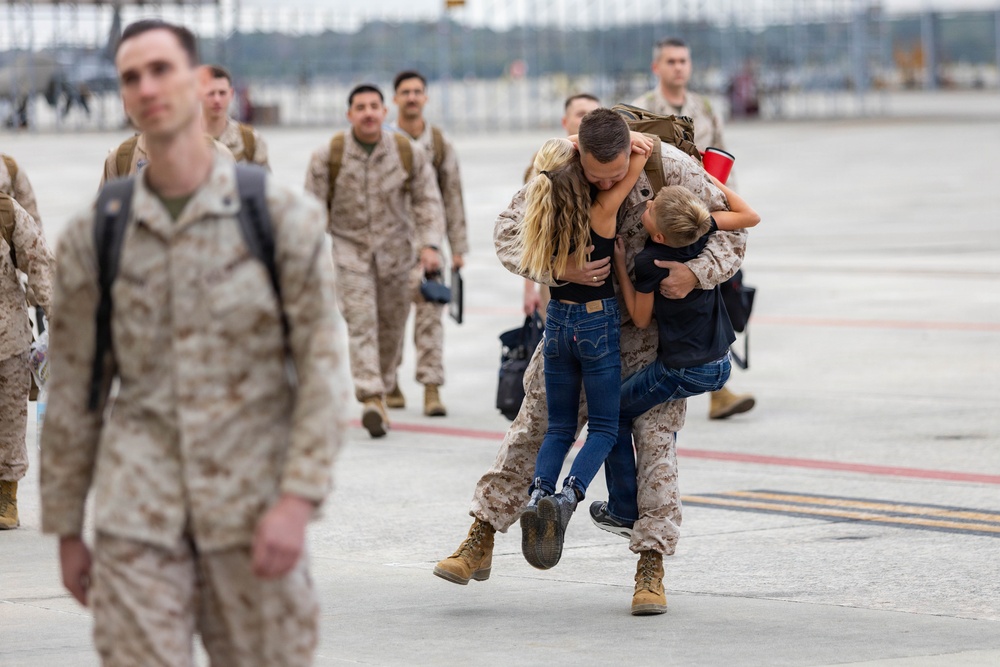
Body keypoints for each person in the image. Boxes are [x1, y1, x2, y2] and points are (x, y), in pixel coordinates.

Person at [40, 19, 349, 665]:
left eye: (160, 70)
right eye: (131, 77)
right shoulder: (97, 234)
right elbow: (73, 387)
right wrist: (67, 525)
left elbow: (322, 370)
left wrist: (298, 499)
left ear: (197, 80)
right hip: (136, 518)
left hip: (253, 511)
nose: (147, 87)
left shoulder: (279, 218)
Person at [434, 108, 746, 616]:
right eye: (595, 177)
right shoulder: (558, 165)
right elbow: (509, 233)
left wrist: (695, 273)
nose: (604, 184)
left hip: (650, 339)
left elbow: (732, 233)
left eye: (616, 176)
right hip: (576, 324)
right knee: (532, 428)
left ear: (632, 153)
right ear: (580, 153)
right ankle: (481, 537)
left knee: (655, 444)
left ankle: (651, 564)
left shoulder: (671, 168)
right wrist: (559, 266)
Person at [516, 132, 652, 570]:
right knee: (605, 429)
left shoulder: (539, 215)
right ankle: (568, 497)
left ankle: (538, 493)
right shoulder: (601, 211)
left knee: (558, 428)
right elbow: (638, 157)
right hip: (597, 323)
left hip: (557, 324)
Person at [604, 182, 760, 543]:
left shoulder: (649, 261)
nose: (647, 204)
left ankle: (622, 509)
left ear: (657, 233)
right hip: (721, 362)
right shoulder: (702, 230)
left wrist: (621, 267)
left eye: (650, 206)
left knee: (610, 413)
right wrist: (713, 181)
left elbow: (641, 319)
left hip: (684, 369)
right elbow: (750, 216)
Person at [305, 83, 444, 438]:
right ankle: (371, 397)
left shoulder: (406, 152)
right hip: (350, 254)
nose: (368, 113)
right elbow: (312, 207)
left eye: (374, 106)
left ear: (384, 112)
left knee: (391, 328)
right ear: (349, 114)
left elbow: (427, 200)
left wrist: (430, 245)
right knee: (361, 322)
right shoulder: (329, 155)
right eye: (360, 107)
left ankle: (382, 383)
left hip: (398, 255)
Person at [632, 36, 756, 420]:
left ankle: (718, 389)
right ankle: (690, 385)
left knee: (708, 305)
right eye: (670, 61)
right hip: (660, 221)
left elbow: (721, 164)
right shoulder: (641, 110)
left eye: (683, 60)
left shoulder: (704, 108)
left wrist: (726, 210)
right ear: (657, 67)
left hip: (701, 222)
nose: (678, 67)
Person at [388, 70, 468, 417]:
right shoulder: (385, 138)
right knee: (389, 317)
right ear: (395, 98)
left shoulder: (438, 143)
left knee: (430, 317)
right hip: (388, 243)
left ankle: (431, 387)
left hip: (429, 242)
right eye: (405, 91)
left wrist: (459, 248)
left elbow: (453, 195)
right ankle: (388, 381)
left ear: (425, 97)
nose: (411, 97)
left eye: (417, 91)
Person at [0, 195, 54, 530]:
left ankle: (7, 494)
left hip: (8, 340)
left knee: (10, 419)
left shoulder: (5, 212)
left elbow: (39, 262)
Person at [523, 93, 601, 319]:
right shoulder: (546, 164)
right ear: (565, 122)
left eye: (593, 115)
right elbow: (530, 228)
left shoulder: (608, 161)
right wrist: (530, 290)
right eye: (580, 114)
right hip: (555, 280)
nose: (586, 120)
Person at [202, 64, 271, 168]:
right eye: (211, 93)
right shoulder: (184, 141)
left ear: (231, 93)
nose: (217, 100)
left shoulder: (250, 140)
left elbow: (263, 182)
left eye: (222, 93)